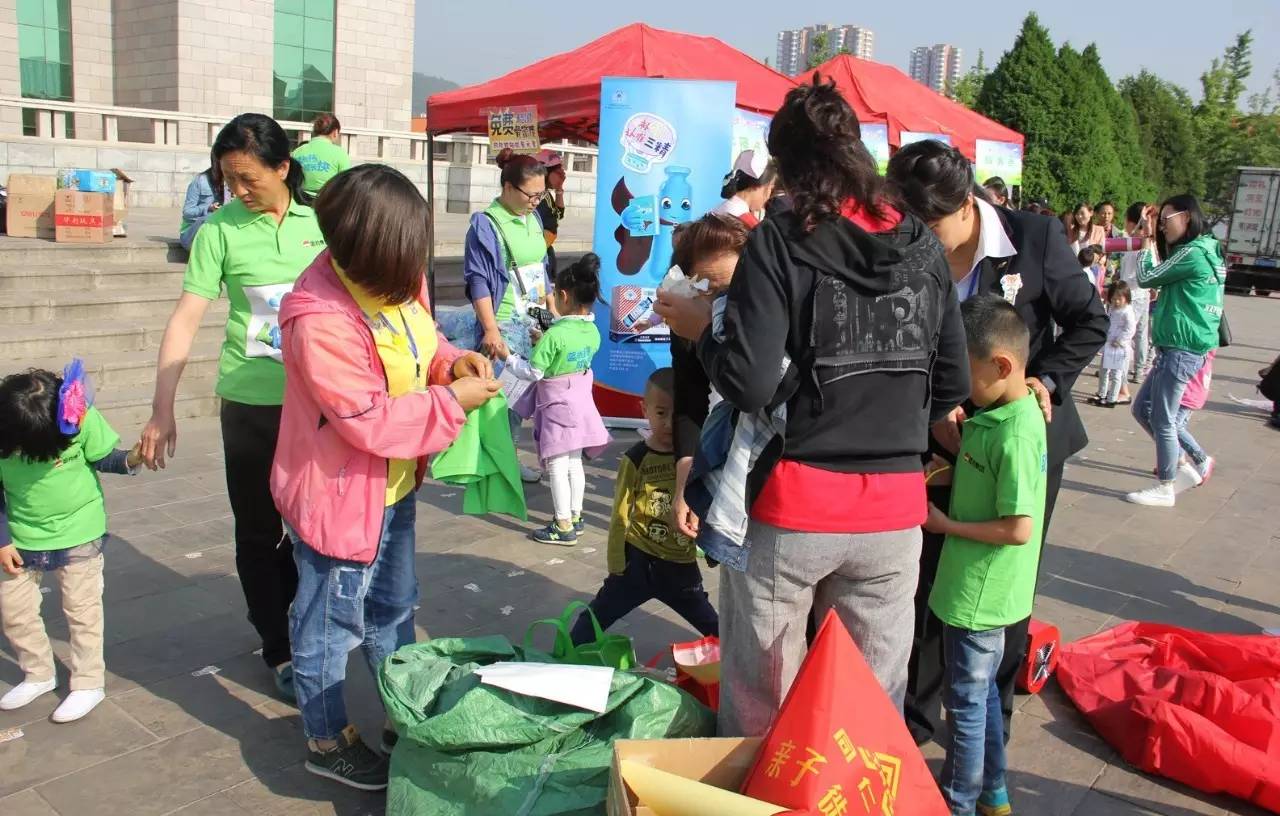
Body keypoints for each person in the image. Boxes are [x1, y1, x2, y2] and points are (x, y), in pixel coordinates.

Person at [656, 80, 971, 738]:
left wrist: (703, 332)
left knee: (762, 704)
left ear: (789, 169)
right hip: (895, 511)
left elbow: (748, 383)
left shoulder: (780, 240)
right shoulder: (921, 244)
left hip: (794, 506)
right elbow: (950, 384)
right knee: (870, 710)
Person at [270, 164, 499, 791]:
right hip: (339, 499)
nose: (409, 281)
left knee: (394, 609)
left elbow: (422, 344)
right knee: (327, 627)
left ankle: (403, 711)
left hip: (391, 490)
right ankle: (326, 739)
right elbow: (368, 420)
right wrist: (452, 403)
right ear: (358, 255)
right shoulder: (319, 319)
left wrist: (452, 365)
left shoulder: (397, 280)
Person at [887, 140, 1106, 747]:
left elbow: (1090, 320)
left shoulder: (1032, 239)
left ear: (966, 205)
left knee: (1003, 579)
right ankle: (916, 720)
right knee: (929, 572)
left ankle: (991, 723)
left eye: (932, 228)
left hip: (1018, 438)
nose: (923, 242)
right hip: (943, 436)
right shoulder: (905, 248)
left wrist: (1045, 380)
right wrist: (935, 407)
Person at [139, 113, 326, 700]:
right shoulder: (220, 229)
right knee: (259, 531)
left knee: (317, 527)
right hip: (251, 405)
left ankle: (313, 625)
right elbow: (186, 318)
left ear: (283, 168)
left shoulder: (322, 222)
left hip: (320, 404)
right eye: (228, 179)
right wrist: (162, 408)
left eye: (249, 178)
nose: (238, 190)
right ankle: (278, 644)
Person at [925, 296, 1047, 816]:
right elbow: (985, 478)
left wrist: (946, 524)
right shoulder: (1003, 413)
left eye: (966, 372)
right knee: (984, 698)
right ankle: (994, 793)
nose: (960, 386)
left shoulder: (1015, 433)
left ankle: (958, 802)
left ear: (1001, 366)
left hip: (979, 594)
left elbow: (1018, 528)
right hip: (981, 589)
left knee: (966, 706)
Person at [0, 363, 143, 722]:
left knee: (83, 613)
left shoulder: (75, 415)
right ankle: (38, 674)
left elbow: (104, 457)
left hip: (80, 532)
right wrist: (2, 541)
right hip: (20, 538)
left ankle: (88, 683)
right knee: (15, 612)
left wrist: (133, 458)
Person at [568, 368, 719, 645]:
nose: (669, 423)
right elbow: (620, 513)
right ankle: (566, 654)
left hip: (681, 566)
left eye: (676, 414)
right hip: (637, 563)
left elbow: (707, 502)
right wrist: (617, 563)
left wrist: (712, 546)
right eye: (661, 413)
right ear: (644, 409)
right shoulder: (635, 458)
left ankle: (736, 663)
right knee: (593, 620)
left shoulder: (695, 458)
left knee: (715, 627)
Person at [1126, 194, 1224, 507]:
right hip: (1179, 346)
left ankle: (1166, 485)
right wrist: (1153, 232)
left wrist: (1145, 239)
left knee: (1164, 419)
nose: (1162, 226)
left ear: (1187, 217)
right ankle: (1183, 466)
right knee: (1144, 410)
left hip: (1182, 347)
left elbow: (1146, 277)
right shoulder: (1204, 249)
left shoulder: (1193, 253)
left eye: (1166, 219)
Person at [504, 254, 610, 545]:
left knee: (557, 466)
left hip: (557, 410)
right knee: (575, 463)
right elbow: (569, 351)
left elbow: (533, 372)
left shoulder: (554, 336)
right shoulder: (591, 330)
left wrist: (507, 357)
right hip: (581, 405)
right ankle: (575, 515)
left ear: (563, 296)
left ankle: (562, 525)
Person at [463, 150, 553, 484]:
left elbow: (542, 271)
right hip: (505, 323)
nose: (536, 202)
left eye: (541, 195)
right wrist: (490, 329)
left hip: (535, 318)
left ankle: (504, 460)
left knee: (523, 398)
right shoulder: (486, 224)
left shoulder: (534, 217)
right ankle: (497, 464)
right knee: (502, 397)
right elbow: (478, 280)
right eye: (531, 195)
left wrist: (552, 318)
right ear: (508, 187)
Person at [668, 214, 752, 541]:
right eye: (708, 290)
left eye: (730, 290)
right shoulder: (687, 315)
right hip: (717, 452)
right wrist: (684, 485)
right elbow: (689, 399)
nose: (719, 304)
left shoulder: (767, 318)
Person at [1115, 202, 1157, 397]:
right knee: (1139, 334)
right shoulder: (1146, 241)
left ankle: (1122, 382)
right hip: (1141, 293)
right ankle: (1137, 371)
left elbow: (1141, 271)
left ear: (1130, 221)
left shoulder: (1137, 242)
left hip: (1131, 295)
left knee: (1125, 337)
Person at [1089, 281, 1136, 407]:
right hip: (1109, 345)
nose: (1116, 302)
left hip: (1119, 348)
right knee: (1104, 371)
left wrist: (1120, 340)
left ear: (1126, 297)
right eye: (1114, 299)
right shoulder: (1112, 308)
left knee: (1116, 374)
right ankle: (1101, 394)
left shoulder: (1127, 311)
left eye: (1119, 299)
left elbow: (1130, 329)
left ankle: (1112, 398)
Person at [1172, 351, 1216, 482]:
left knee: (1174, 426)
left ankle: (1201, 458)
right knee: (1178, 425)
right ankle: (1176, 460)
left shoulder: (1198, 351)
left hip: (1188, 392)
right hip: (1190, 391)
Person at [711, 149, 777, 228]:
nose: (769, 195)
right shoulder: (750, 226)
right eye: (770, 188)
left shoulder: (715, 212)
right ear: (758, 186)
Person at [291, 113, 351, 196]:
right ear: (335, 132)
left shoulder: (297, 152)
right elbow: (346, 183)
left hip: (299, 199)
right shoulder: (340, 153)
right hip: (327, 200)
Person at [534, 148, 567, 279]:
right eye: (558, 172)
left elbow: (559, 214)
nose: (562, 176)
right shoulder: (535, 197)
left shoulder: (546, 194)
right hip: (537, 253)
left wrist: (559, 190)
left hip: (546, 250)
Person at [179, 164, 224, 251]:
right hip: (191, 233)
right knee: (210, 218)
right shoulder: (199, 181)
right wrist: (208, 208)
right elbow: (187, 212)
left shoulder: (230, 184)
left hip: (215, 235)